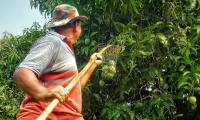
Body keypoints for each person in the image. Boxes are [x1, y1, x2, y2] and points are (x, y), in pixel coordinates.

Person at [13, 4, 102, 120]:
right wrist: (44, 93)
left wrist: (92, 65)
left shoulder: (65, 48)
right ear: (76, 25)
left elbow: (74, 88)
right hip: (42, 115)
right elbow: (22, 73)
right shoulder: (52, 42)